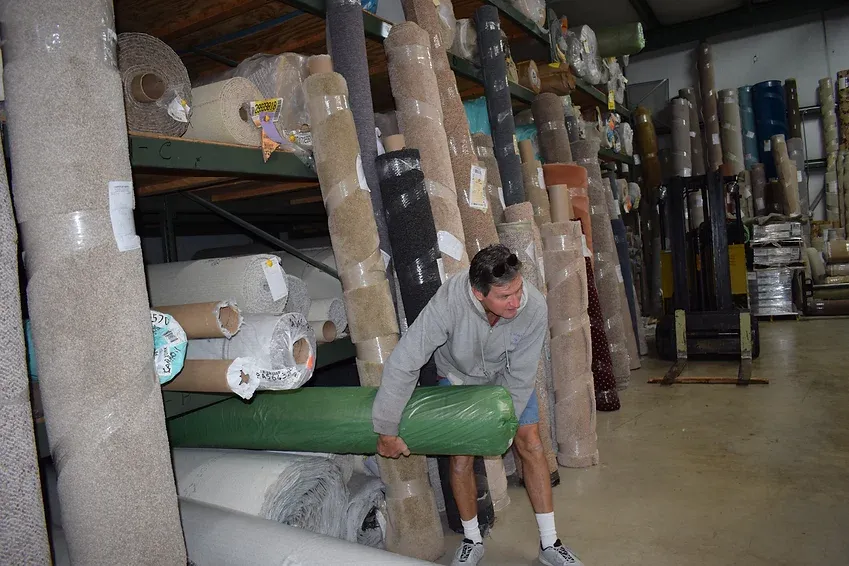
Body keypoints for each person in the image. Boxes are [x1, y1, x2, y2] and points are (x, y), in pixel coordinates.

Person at [372, 244, 583, 566]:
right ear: (478, 293)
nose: (515, 302)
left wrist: (504, 425)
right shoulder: (449, 301)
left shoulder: (534, 307)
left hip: (508, 375)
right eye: (504, 296)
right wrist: (386, 427)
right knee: (462, 456)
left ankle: (550, 542)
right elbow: (406, 360)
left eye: (518, 290)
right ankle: (472, 539)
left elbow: (522, 373)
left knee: (531, 443)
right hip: (460, 377)